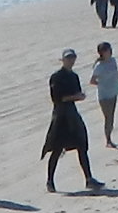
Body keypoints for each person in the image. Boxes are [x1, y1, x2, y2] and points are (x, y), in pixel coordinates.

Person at [42, 48, 103, 191]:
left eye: (72, 58)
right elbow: (57, 98)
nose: (71, 60)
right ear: (63, 60)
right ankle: (50, 181)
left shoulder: (73, 76)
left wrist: (79, 96)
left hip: (72, 114)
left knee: (82, 146)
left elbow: (76, 93)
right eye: (68, 58)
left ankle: (89, 179)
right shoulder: (56, 77)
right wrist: (76, 97)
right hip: (60, 116)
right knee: (56, 149)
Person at [91, 40, 118, 142]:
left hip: (113, 93)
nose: (108, 52)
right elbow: (92, 81)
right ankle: (108, 139)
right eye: (106, 51)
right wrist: (103, 84)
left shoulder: (113, 61)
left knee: (111, 117)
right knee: (107, 117)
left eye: (109, 50)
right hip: (104, 95)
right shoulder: (99, 66)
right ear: (101, 53)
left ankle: (109, 137)